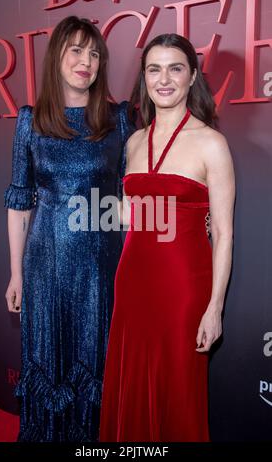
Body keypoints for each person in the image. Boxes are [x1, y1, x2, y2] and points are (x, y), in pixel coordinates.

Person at [4, 16, 134, 442]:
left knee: (98, 362)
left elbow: (133, 195)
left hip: (101, 267)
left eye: (94, 53)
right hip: (46, 265)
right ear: (56, 56)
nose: (87, 61)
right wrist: (17, 274)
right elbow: (20, 203)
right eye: (76, 50)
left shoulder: (118, 118)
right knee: (49, 359)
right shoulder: (30, 120)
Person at [99, 33, 235, 442]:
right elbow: (130, 215)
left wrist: (215, 309)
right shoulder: (135, 141)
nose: (164, 79)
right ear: (144, 78)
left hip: (182, 292)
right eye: (154, 69)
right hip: (132, 284)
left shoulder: (212, 143)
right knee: (132, 385)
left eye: (175, 68)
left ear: (192, 76)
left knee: (177, 392)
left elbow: (225, 234)